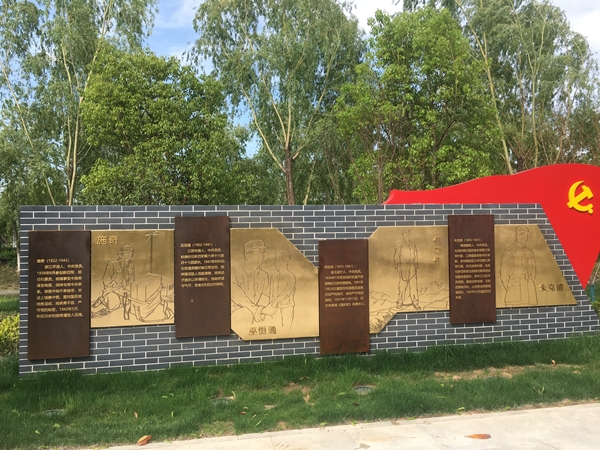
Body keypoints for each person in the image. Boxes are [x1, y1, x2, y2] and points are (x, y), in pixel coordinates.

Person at [231, 240, 270, 323]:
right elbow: (237, 295)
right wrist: (255, 310)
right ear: (246, 254)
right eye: (257, 252)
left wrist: (260, 309)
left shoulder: (264, 275)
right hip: (236, 313)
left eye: (262, 252)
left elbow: (266, 295)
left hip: (257, 314)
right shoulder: (234, 269)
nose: (261, 256)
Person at [92, 245, 136, 319]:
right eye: (126, 253)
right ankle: (97, 311)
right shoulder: (112, 264)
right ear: (121, 254)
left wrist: (127, 289)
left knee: (131, 302)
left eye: (130, 254)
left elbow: (132, 281)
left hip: (124, 291)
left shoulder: (131, 266)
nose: (128, 256)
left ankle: (103, 300)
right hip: (111, 290)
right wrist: (116, 288)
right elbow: (106, 280)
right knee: (114, 304)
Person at [500, 226, 538, 307]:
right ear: (516, 235)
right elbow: (503, 274)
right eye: (521, 234)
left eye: (526, 235)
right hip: (515, 292)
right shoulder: (509, 252)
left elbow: (533, 271)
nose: (524, 237)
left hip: (529, 291)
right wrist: (511, 288)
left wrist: (529, 282)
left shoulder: (529, 252)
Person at [262, 250, 296, 328]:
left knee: (287, 327)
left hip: (287, 306)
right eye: (276, 260)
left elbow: (286, 293)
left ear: (285, 262)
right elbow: (271, 292)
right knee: (277, 327)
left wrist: (275, 302)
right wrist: (271, 304)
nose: (276, 263)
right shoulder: (274, 276)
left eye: (278, 260)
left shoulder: (291, 276)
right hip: (274, 307)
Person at [394, 228, 421, 310]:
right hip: (403, 267)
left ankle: (415, 303)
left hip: (412, 268)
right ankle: (400, 302)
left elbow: (415, 256)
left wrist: (416, 265)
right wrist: (397, 267)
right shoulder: (399, 245)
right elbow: (396, 257)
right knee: (402, 286)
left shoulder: (413, 245)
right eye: (405, 233)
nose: (407, 235)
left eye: (408, 233)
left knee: (413, 286)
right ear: (403, 234)